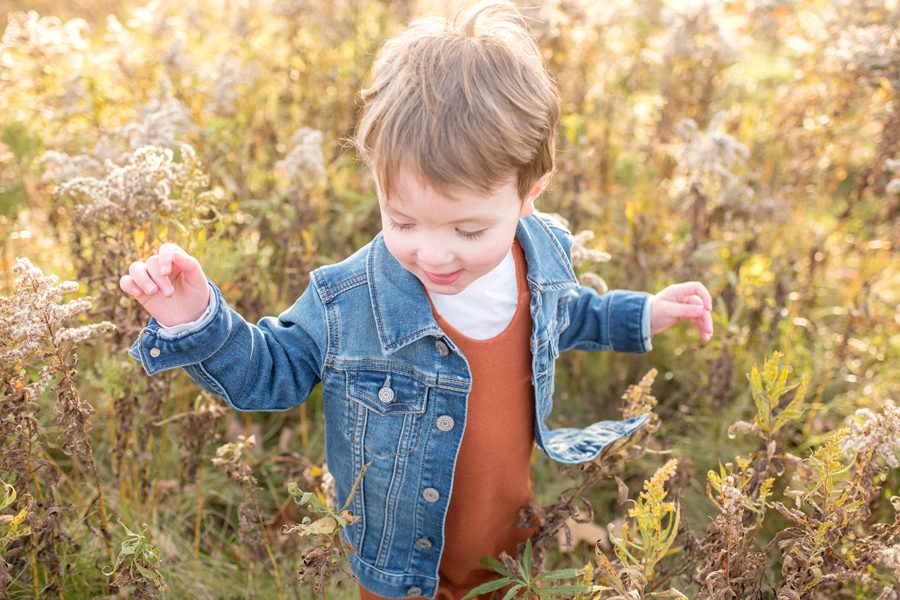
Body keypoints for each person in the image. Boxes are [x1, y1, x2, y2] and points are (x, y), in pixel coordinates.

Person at [120, 2, 713, 598]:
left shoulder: (541, 252)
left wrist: (646, 311)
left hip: (509, 548)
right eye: (402, 221)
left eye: (468, 231)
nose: (433, 256)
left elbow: (569, 313)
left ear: (529, 194)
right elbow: (270, 373)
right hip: (401, 566)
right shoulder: (350, 299)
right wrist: (197, 321)